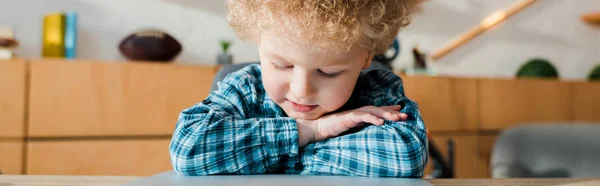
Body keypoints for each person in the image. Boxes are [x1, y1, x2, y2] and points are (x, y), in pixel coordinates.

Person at [170, 0, 427, 177]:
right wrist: (310, 131)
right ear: (260, 43)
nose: (302, 91)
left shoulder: (378, 90)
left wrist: (270, 158)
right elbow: (188, 148)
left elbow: (406, 154)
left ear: (366, 57)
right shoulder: (245, 87)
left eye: (328, 72)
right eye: (282, 65)